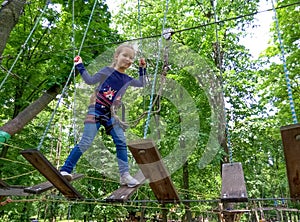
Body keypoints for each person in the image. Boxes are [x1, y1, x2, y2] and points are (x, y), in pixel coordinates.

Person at [60, 44, 146, 187]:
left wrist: (142, 68)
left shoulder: (127, 79)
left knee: (121, 142)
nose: (128, 60)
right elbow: (90, 80)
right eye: (125, 55)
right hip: (96, 109)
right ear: (116, 56)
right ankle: (65, 169)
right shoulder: (107, 71)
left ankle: (124, 175)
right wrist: (79, 65)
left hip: (111, 113)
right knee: (86, 140)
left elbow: (142, 83)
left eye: (131, 58)